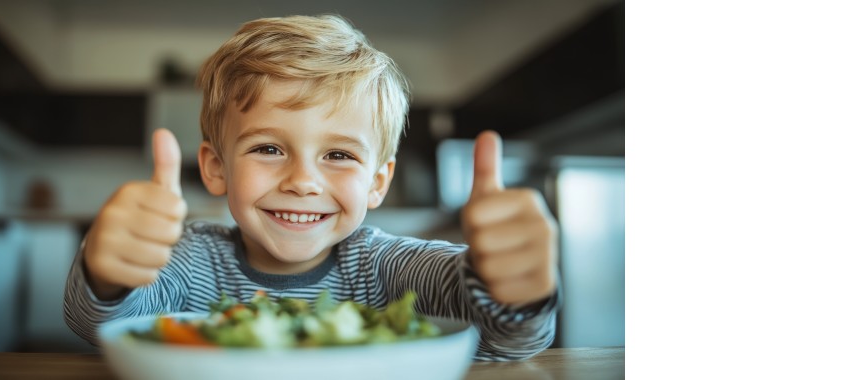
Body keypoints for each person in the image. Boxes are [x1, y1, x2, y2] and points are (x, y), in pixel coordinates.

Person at [64, 14, 559, 361]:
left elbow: (504, 339)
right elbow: (101, 324)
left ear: (377, 183)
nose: (302, 182)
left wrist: (514, 294)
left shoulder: (387, 267)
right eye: (268, 148)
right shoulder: (189, 264)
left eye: (339, 155)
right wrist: (108, 276)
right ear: (216, 168)